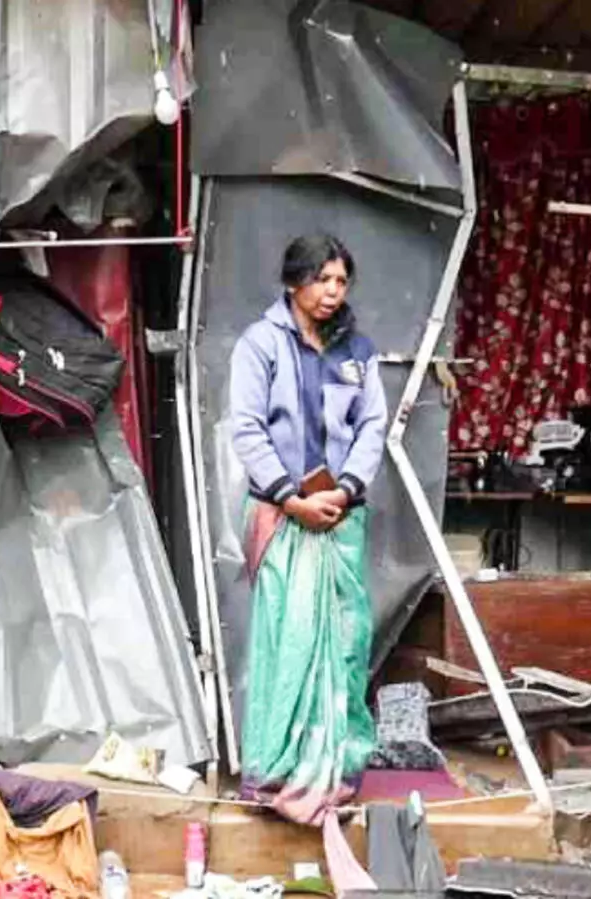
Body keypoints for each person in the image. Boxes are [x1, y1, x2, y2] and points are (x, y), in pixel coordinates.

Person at [228, 233, 387, 825]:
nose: (332, 292)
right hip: (283, 515)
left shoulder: (358, 351)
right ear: (295, 281)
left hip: (342, 516)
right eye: (322, 279)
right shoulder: (259, 346)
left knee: (346, 643)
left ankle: (338, 773)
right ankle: (275, 772)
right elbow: (247, 429)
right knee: (287, 640)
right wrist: (292, 499)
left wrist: (344, 490)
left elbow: (373, 426)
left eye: (341, 281)